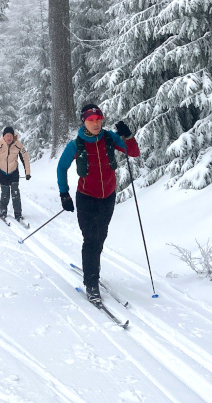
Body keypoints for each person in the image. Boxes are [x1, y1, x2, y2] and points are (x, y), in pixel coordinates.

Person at [56, 104, 140, 304]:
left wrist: (128, 136)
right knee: (91, 239)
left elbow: (133, 152)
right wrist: (64, 194)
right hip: (86, 197)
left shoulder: (110, 138)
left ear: (102, 119)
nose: (95, 123)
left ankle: (92, 267)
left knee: (101, 236)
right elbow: (62, 167)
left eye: (98, 119)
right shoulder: (76, 145)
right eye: (90, 120)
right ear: (84, 121)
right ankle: (91, 282)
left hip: (108, 196)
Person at [0, 126, 31, 221]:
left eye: (11, 136)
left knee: (15, 191)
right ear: (3, 136)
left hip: (13, 170)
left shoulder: (18, 145)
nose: (9, 138)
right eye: (7, 136)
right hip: (1, 171)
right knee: (5, 191)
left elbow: (25, 158)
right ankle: (3, 210)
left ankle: (18, 213)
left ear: (13, 136)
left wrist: (27, 172)